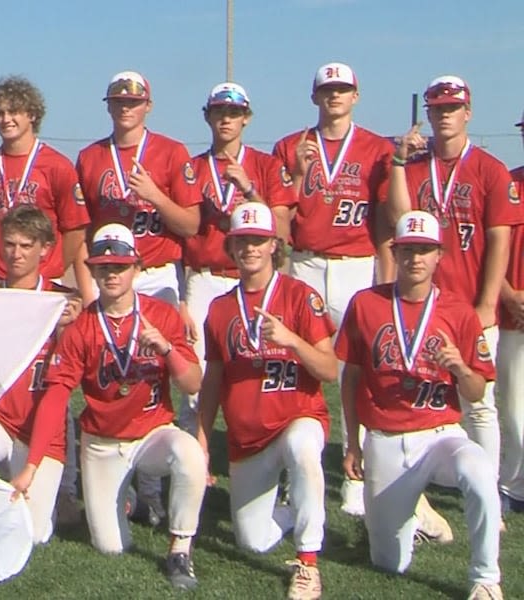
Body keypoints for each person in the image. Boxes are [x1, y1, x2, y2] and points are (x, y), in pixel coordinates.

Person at [10, 223, 205, 591]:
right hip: (101, 443)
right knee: (111, 547)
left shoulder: (161, 315)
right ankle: (129, 500)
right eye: (104, 266)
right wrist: (31, 466)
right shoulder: (83, 326)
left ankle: (180, 547)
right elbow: (55, 397)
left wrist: (166, 349)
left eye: (120, 265)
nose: (112, 273)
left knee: (190, 453)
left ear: (136, 267)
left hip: (151, 434)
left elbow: (192, 383)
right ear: (93, 271)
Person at [338, 210, 501, 600]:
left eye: (424, 250)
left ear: (439, 255)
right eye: (408, 250)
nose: (415, 259)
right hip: (386, 437)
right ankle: (416, 516)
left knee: (478, 470)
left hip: (439, 435)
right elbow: (351, 377)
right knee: (388, 563)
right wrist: (353, 443)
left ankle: (486, 578)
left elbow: (477, 392)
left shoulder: (459, 312)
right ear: (395, 252)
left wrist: (460, 368)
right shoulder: (366, 303)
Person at [387, 75, 521, 533]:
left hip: (469, 306)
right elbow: (403, 218)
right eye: (437, 108)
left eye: (452, 107)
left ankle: (489, 496)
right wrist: (402, 160)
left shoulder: (489, 168)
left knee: (480, 405)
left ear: (468, 112)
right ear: (428, 113)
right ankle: (416, 493)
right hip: (424, 305)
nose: (444, 115)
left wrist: (488, 303)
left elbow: (500, 238)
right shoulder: (417, 166)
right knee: (418, 397)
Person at [269, 62, 395, 518]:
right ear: (315, 97)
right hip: (304, 261)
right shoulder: (292, 145)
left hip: (355, 265)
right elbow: (280, 209)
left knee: (357, 373)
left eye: (342, 90)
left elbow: (387, 218)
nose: (335, 97)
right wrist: (300, 174)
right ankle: (291, 472)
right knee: (294, 366)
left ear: (356, 96)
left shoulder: (378, 148)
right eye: (327, 90)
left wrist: (384, 269)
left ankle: (356, 474)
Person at [197, 202, 337, 600]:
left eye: (258, 240)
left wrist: (292, 340)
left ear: (274, 244)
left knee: (303, 448)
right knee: (252, 540)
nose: (250, 249)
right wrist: (204, 440)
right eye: (243, 241)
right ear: (232, 246)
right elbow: (213, 380)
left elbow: (329, 369)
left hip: (297, 417)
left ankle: (308, 563)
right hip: (248, 439)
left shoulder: (300, 296)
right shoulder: (221, 308)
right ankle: (298, 508)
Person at [0, 204, 81, 544]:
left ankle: (45, 499)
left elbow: (69, 382)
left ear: (45, 249)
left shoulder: (61, 303)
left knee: (35, 534)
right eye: (10, 243)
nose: (16, 253)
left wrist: (66, 328)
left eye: (26, 245)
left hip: (40, 428)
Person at [180, 82, 290, 431]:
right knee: (195, 375)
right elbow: (182, 232)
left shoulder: (267, 166)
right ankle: (194, 462)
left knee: (263, 373)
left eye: (234, 113)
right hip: (205, 276)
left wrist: (249, 189)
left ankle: (265, 452)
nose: (226, 120)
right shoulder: (191, 167)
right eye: (219, 112)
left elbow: (283, 230)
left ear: (247, 118)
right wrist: (182, 296)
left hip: (255, 282)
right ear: (207, 116)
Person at [75, 70, 199, 306]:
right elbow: (80, 231)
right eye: (118, 102)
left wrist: (156, 197)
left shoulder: (172, 151)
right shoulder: (89, 157)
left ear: (148, 106)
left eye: (133, 102)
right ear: (108, 107)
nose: (125, 108)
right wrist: (86, 288)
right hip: (107, 271)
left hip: (156, 273)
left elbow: (190, 226)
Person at [0, 75, 91, 298]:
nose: (6, 119)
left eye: (14, 111)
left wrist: (52, 268)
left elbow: (75, 228)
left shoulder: (57, 165)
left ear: (32, 115)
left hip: (42, 282)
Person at [501, 110, 524, 513]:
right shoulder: (510, 184)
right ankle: (515, 486)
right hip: (512, 313)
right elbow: (490, 253)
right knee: (513, 408)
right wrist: (508, 296)